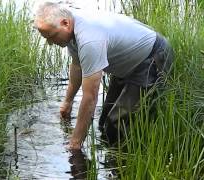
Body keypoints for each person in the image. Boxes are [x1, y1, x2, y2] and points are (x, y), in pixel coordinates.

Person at [34, 2, 173, 149]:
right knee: (104, 120)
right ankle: (109, 154)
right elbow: (77, 65)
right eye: (46, 38)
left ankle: (120, 165)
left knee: (116, 123)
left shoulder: (89, 39)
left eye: (52, 36)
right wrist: (67, 102)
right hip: (126, 61)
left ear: (65, 23)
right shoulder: (68, 25)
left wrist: (75, 143)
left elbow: (90, 97)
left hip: (151, 57)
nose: (50, 43)